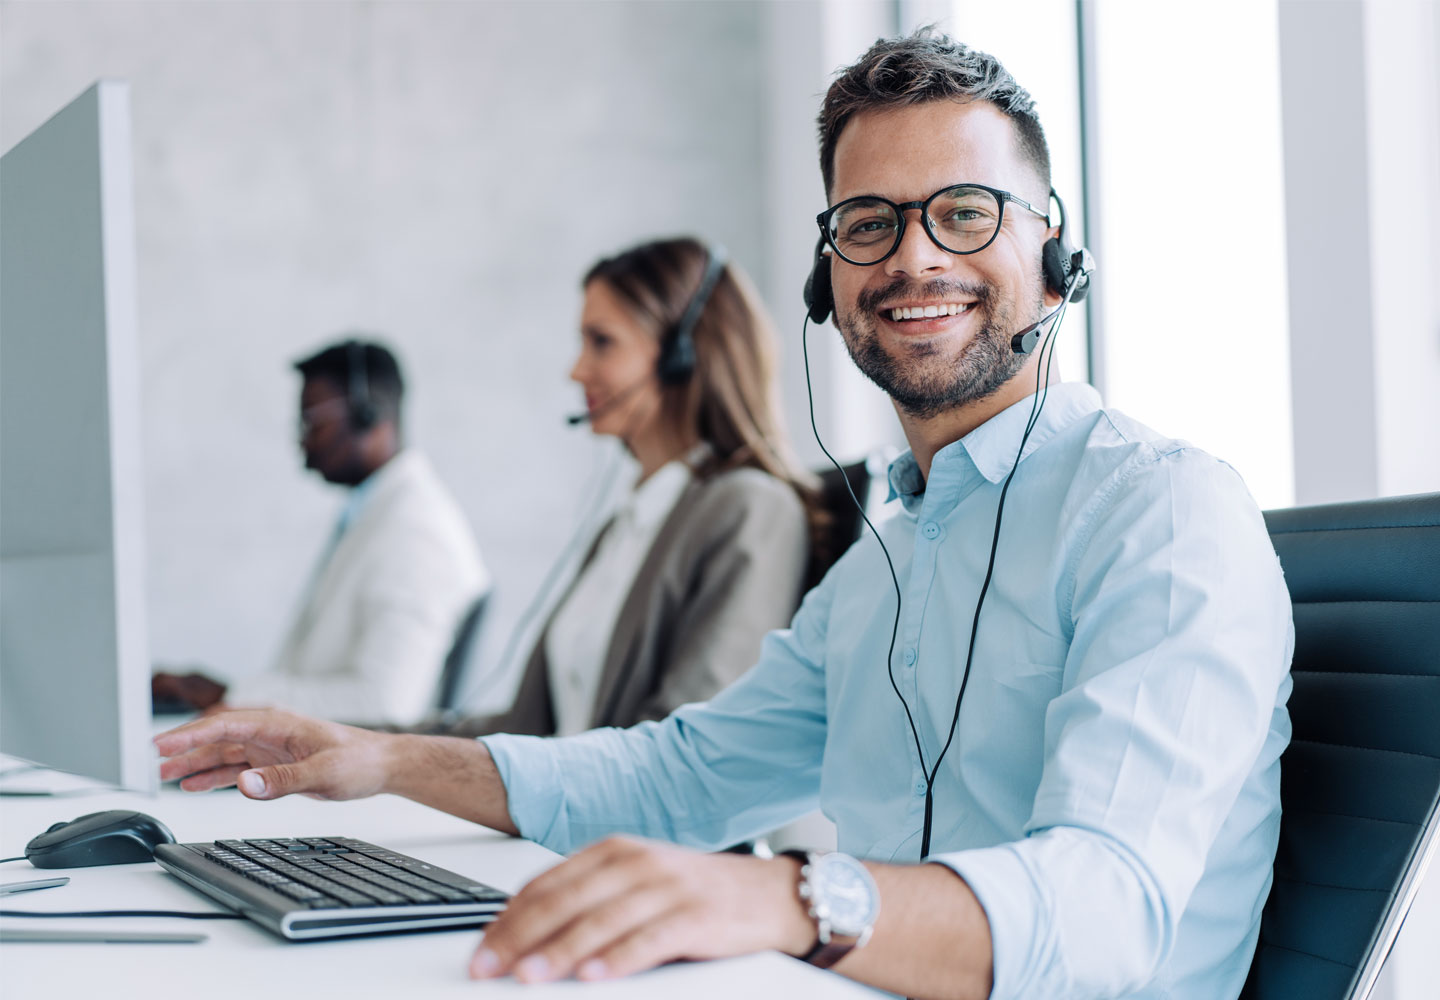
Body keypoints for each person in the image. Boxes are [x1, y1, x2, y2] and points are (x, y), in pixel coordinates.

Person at [156, 30, 1294, 1000]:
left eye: (964, 212)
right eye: (867, 224)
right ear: (827, 280)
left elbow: (1111, 909)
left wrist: (792, 895)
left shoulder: (1162, 512)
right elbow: (674, 779)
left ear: (1054, 255)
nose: (913, 257)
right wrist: (379, 758)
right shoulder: (884, 567)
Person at [408, 237, 814, 739]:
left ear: (682, 355)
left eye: (601, 341)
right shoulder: (630, 523)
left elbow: (691, 748)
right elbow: (527, 730)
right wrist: (358, 741)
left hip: (625, 820)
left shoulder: (751, 509)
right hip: (569, 816)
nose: (576, 370)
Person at [152, 339, 488, 727]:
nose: (303, 442)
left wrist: (234, 697)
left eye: (313, 422)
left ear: (369, 416)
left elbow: (387, 703)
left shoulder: (416, 532)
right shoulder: (374, 513)